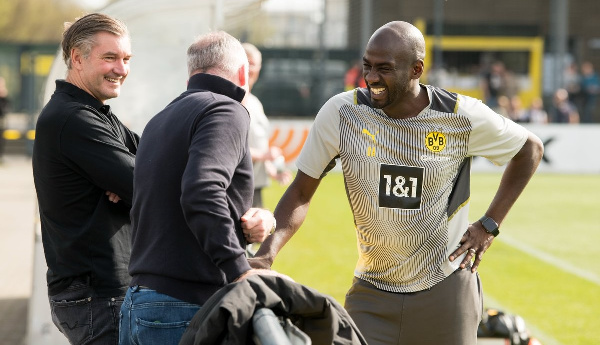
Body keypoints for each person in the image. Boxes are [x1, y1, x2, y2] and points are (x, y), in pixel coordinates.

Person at [251, 21, 544, 345]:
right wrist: (266, 254)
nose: (372, 77)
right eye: (367, 66)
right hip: (372, 293)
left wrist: (489, 224)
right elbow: (300, 191)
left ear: (416, 69)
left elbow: (530, 149)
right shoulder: (342, 113)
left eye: (384, 69)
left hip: (446, 289)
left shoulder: (460, 115)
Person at [119, 31, 289, 345]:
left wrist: (248, 220)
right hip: (183, 305)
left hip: (137, 302)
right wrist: (239, 268)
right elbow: (202, 190)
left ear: (192, 72)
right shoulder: (227, 109)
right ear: (242, 74)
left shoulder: (160, 119)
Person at [32, 13, 138, 345]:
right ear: (77, 58)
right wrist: (133, 181)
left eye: (125, 59)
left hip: (100, 293)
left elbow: (156, 161)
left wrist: (131, 179)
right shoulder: (71, 118)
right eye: (110, 58)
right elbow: (144, 184)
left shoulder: (95, 112)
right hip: (97, 295)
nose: (121, 69)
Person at [242, 42, 291, 209]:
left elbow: (259, 145)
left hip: (256, 186)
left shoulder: (255, 102)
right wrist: (265, 155)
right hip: (238, 187)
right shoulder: (230, 102)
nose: (250, 69)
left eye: (254, 64)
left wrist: (273, 172)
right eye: (247, 63)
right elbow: (228, 148)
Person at [0, 76, 9, 163]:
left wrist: (4, 97)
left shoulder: (4, 98)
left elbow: (5, 110)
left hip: (1, 122)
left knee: (2, 139)